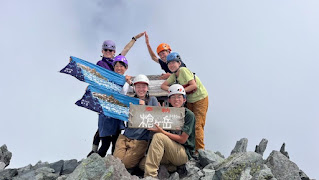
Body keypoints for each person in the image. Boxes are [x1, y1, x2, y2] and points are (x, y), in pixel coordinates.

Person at [88, 32, 145, 157]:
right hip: (106, 103)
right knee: (105, 137)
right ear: (102, 51)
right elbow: (97, 78)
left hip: (117, 109)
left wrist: (135, 38)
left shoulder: (117, 62)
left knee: (115, 137)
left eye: (110, 50)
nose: (108, 52)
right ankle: (93, 157)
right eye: (106, 50)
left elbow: (126, 49)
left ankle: (108, 162)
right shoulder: (100, 64)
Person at [144, 84, 195, 178]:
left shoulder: (189, 115)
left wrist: (162, 132)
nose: (176, 100)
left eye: (179, 97)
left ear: (184, 99)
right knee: (142, 164)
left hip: (183, 153)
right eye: (173, 97)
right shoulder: (166, 113)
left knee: (159, 137)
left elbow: (183, 139)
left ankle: (150, 176)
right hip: (168, 151)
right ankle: (170, 167)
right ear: (169, 100)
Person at [161, 52, 209, 152]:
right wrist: (174, 90)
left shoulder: (183, 70)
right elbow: (163, 85)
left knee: (197, 125)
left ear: (179, 63)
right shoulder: (174, 75)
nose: (171, 65)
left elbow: (193, 85)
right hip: (189, 100)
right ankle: (192, 149)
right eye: (169, 63)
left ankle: (200, 151)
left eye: (174, 62)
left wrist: (179, 91)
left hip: (200, 98)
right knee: (189, 124)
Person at [113, 74, 158, 172]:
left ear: (147, 88)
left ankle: (138, 161)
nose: (141, 89)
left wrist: (143, 107)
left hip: (140, 139)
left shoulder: (152, 100)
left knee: (126, 164)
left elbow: (157, 116)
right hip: (125, 137)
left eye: (143, 86)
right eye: (138, 86)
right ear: (134, 88)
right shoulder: (129, 100)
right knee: (116, 161)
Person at [96, 55, 134, 157]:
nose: (119, 68)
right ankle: (95, 166)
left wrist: (129, 82)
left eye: (122, 66)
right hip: (106, 114)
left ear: (126, 68)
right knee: (105, 143)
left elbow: (134, 91)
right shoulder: (109, 79)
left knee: (115, 142)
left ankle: (112, 168)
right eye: (116, 66)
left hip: (118, 115)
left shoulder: (126, 82)